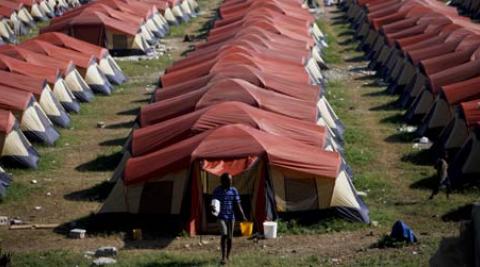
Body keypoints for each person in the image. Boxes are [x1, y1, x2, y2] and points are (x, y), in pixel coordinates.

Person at [212, 173, 247, 265]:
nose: (230, 182)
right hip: (221, 217)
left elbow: (238, 204)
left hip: (231, 217)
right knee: (224, 234)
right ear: (222, 181)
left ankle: (228, 256)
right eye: (228, 180)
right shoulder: (217, 190)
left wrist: (243, 215)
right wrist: (212, 208)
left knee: (230, 238)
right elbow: (213, 203)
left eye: (231, 180)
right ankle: (223, 257)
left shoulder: (234, 190)